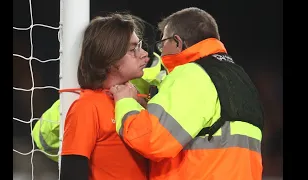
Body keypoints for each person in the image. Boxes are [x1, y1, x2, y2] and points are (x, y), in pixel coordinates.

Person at [110, 7, 264, 180]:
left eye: (163, 43)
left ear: (177, 42)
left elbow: (152, 140)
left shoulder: (191, 75)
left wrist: (126, 103)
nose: (161, 51)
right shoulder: (239, 78)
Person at [59, 13, 154, 180]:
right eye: (133, 49)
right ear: (110, 59)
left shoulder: (137, 101)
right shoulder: (88, 106)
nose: (144, 54)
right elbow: (71, 172)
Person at [31, 52, 165, 163]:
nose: (142, 53)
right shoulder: (88, 102)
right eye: (133, 48)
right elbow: (45, 142)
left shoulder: (167, 86)